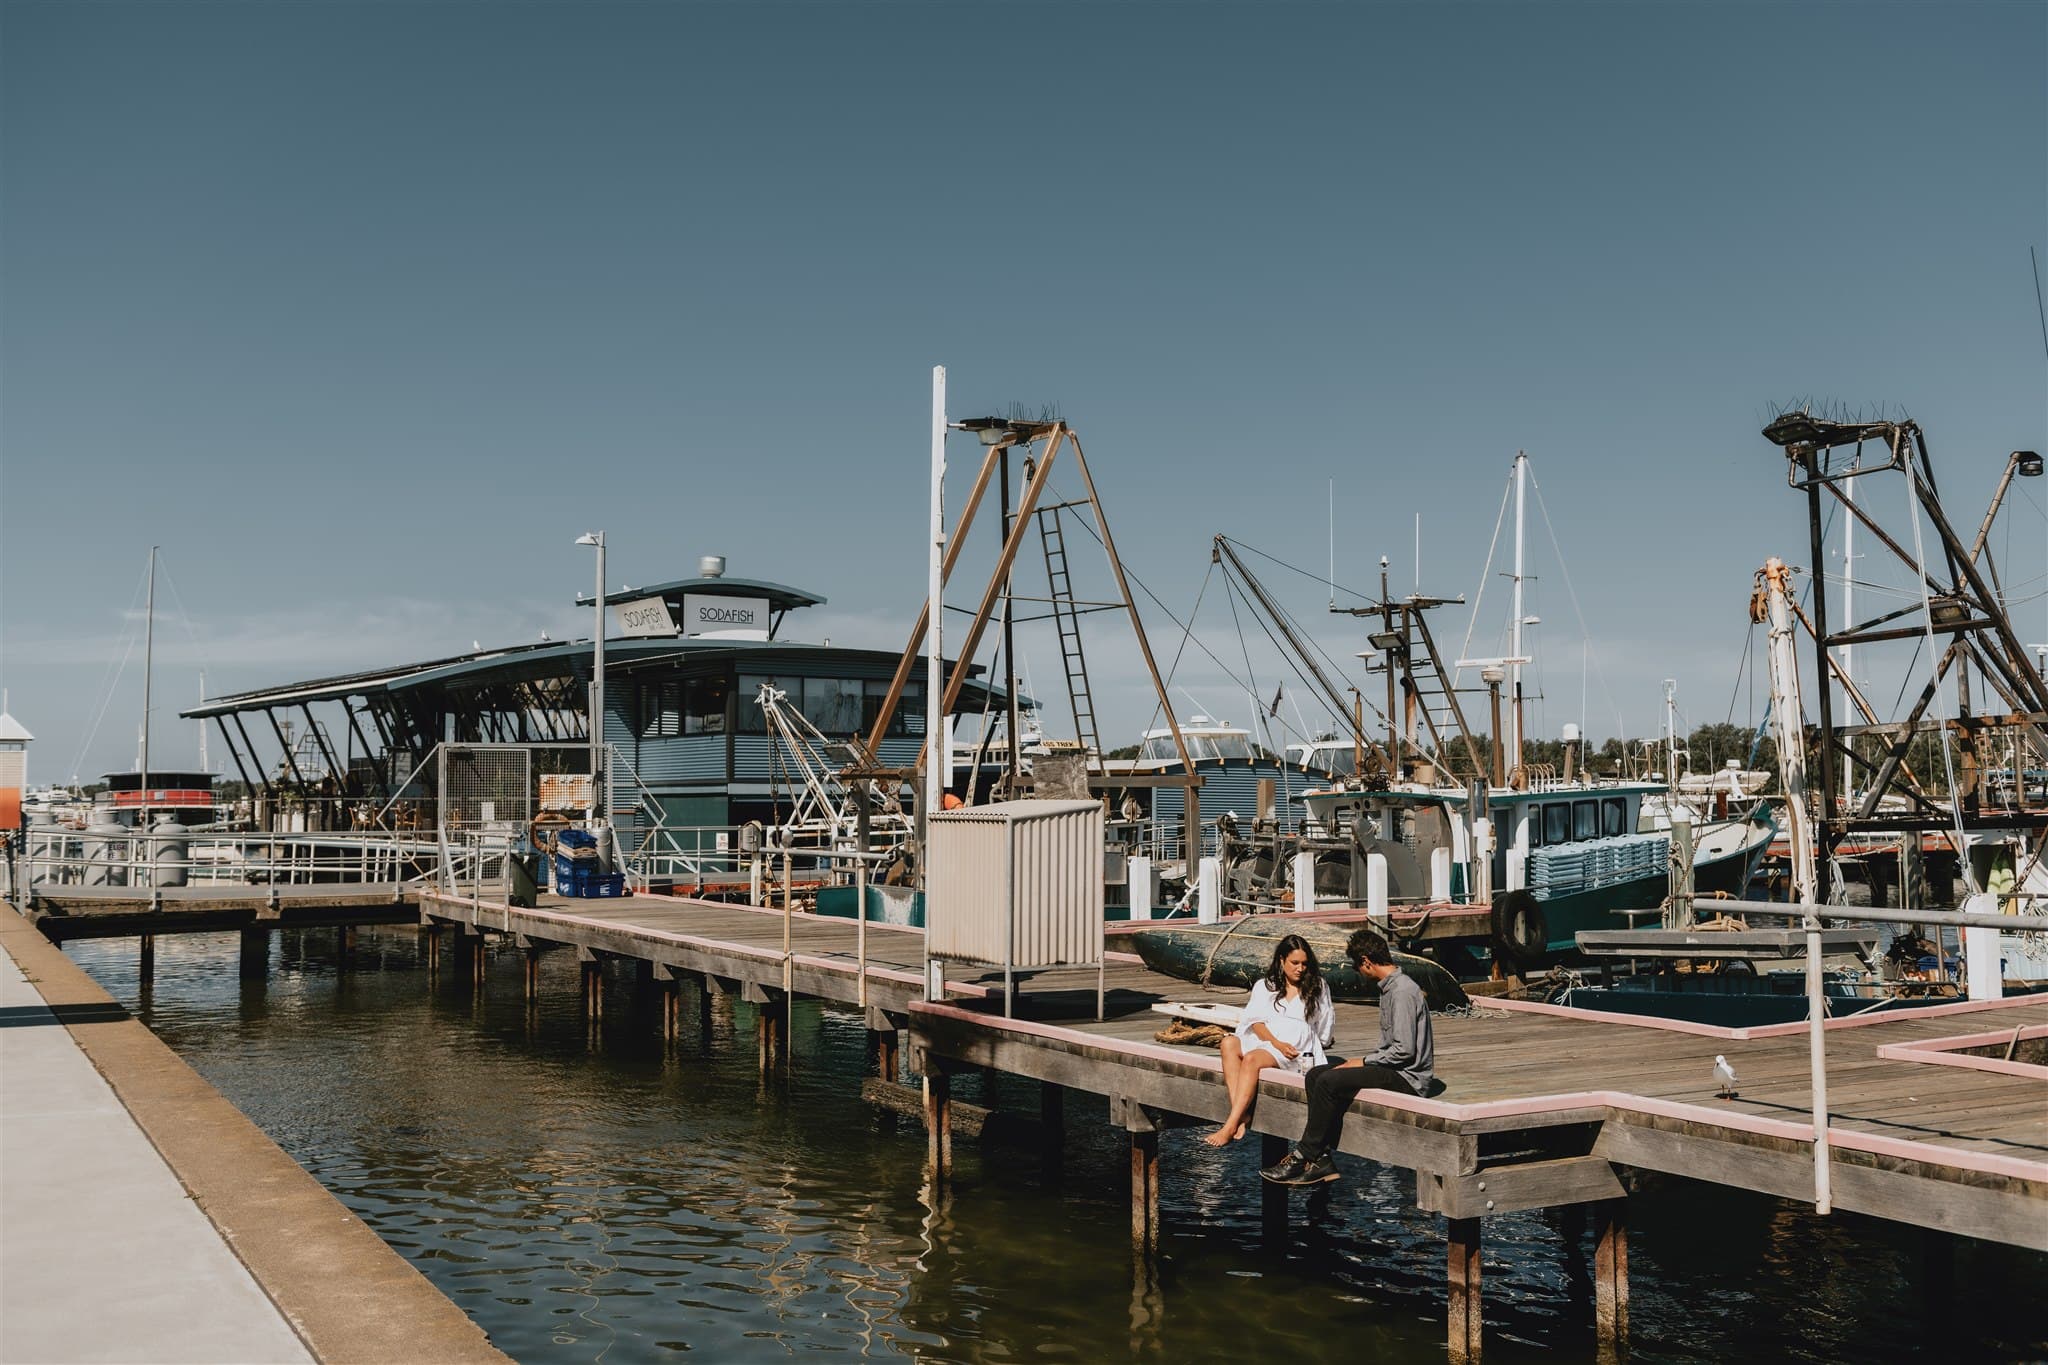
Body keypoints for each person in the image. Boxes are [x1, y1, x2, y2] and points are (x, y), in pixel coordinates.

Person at [1261, 927, 1435, 1185]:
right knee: (1317, 1073)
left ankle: (1304, 1155)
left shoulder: (1401, 992)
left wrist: (1364, 1061)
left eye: (1357, 966)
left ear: (1366, 962)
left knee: (1331, 1081)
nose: (1359, 972)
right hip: (1392, 1067)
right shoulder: (1389, 988)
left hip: (1408, 1078)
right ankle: (1322, 1160)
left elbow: (1405, 1050)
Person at [1204, 934, 1333, 1147]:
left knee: (1252, 1059)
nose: (1300, 969)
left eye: (1304, 964)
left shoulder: (1318, 986)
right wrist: (1276, 1043)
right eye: (1294, 963)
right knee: (1228, 1043)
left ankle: (1231, 1123)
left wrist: (1310, 1046)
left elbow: (1324, 1026)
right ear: (1281, 960)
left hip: (1296, 1045)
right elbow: (1255, 1023)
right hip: (1269, 1039)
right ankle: (1242, 1114)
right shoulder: (1266, 986)